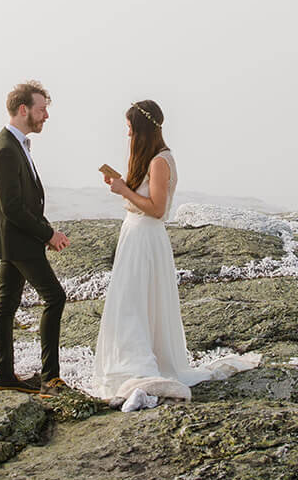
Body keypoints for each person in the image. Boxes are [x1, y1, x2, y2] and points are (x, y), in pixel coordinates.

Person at [92, 100, 258, 407]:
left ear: (141, 130)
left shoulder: (160, 162)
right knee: (132, 301)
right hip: (134, 235)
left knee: (136, 303)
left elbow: (157, 209)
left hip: (145, 238)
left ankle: (139, 367)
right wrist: (123, 185)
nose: (127, 136)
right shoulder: (149, 160)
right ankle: (131, 361)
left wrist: (124, 191)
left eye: (130, 130)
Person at [0, 80, 71, 396]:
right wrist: (48, 233)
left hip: (14, 239)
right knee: (55, 297)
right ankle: (51, 377)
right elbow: (13, 208)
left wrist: (46, 231)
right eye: (41, 109)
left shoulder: (14, 144)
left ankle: (4, 376)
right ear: (24, 109)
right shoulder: (6, 149)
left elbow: (26, 201)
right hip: (17, 240)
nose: (45, 115)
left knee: (6, 306)